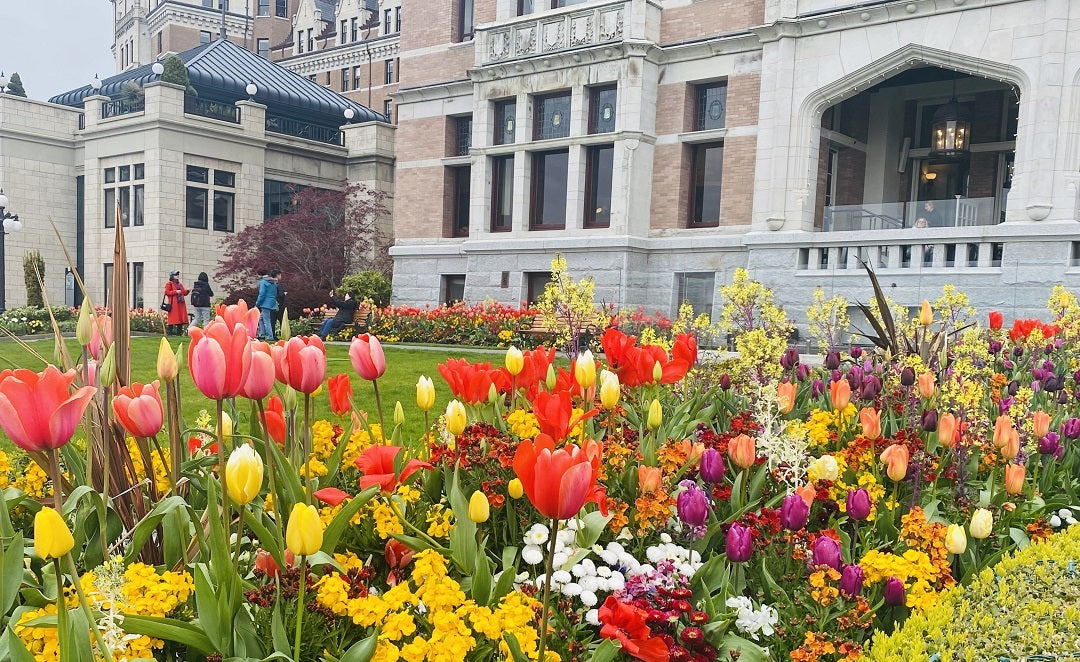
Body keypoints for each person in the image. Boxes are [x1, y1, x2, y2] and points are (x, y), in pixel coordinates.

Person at [255, 268, 280, 341]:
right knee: (261, 319)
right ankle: (261, 335)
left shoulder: (263, 282)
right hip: (271, 302)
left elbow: (262, 294)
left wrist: (257, 303)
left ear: (260, 274)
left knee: (266, 320)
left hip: (265, 303)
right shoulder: (273, 282)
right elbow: (275, 292)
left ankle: (270, 337)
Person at [163, 270, 189, 336]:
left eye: (177, 274)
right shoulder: (169, 284)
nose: (177, 276)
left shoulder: (180, 284)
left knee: (180, 319)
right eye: (175, 275)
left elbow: (183, 293)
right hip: (173, 305)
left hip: (180, 304)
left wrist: (188, 291)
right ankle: (170, 333)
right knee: (172, 319)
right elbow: (167, 292)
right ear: (172, 276)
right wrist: (175, 292)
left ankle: (178, 334)